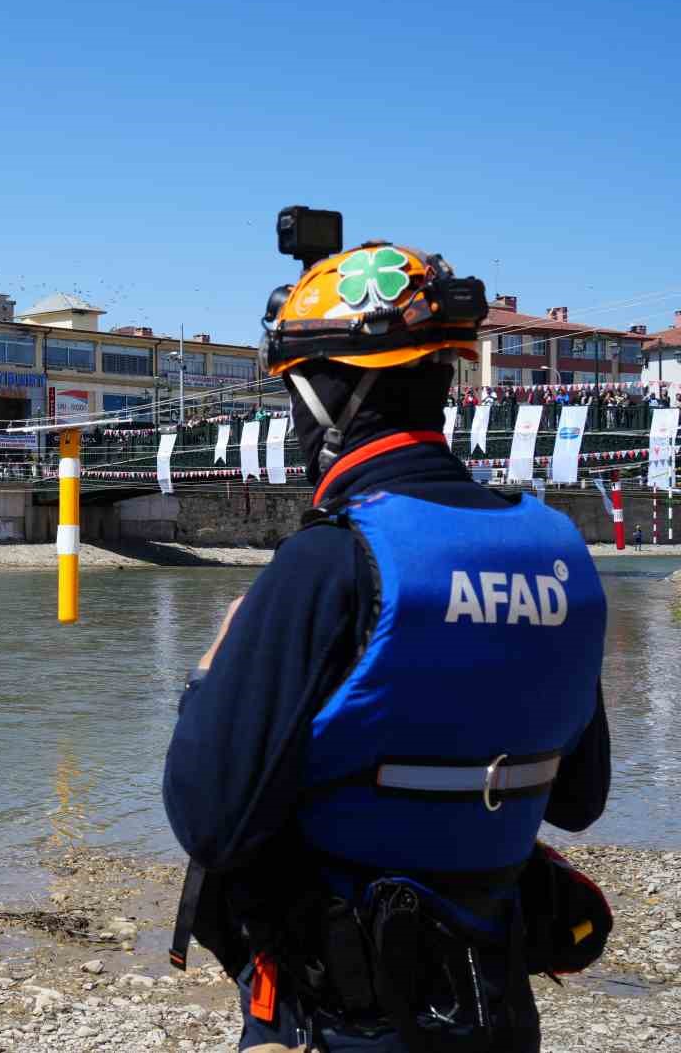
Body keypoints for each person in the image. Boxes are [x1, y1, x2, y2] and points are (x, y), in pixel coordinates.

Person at [163, 231, 609, 1052]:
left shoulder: (331, 562)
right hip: (495, 1002)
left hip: (340, 1011)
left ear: (331, 392)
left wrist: (209, 668)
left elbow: (209, 821)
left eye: (294, 390)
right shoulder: (556, 548)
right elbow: (579, 800)